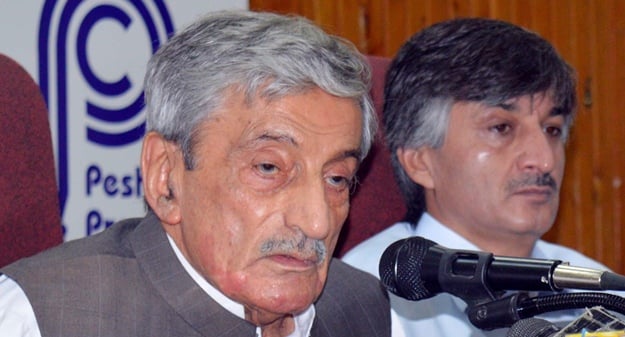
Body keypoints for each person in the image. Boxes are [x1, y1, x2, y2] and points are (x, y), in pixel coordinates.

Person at [0, 10, 391, 337]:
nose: (317, 220)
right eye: (269, 168)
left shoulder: (360, 308)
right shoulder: (44, 318)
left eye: (337, 178)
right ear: (165, 177)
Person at [343, 17, 621, 337]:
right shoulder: (369, 295)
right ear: (420, 161)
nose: (544, 161)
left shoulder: (598, 286)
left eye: (553, 129)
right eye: (501, 128)